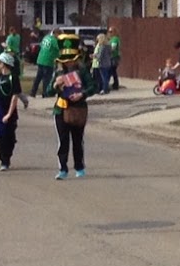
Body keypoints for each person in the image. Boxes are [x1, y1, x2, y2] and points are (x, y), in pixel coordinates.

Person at [51, 35, 96, 179]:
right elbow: (47, 91)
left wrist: (82, 95)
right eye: (66, 60)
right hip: (61, 109)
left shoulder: (82, 72)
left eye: (71, 60)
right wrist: (55, 85)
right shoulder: (58, 72)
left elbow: (93, 86)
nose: (68, 63)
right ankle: (62, 169)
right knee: (63, 141)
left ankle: (79, 167)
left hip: (78, 109)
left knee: (77, 140)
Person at [0, 50, 21, 171]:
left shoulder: (13, 77)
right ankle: (3, 160)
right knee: (0, 137)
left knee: (9, 136)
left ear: (3, 63)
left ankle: (7, 158)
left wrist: (9, 114)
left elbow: (15, 96)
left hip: (9, 111)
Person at [32, 28, 59, 98]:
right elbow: (58, 49)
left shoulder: (46, 37)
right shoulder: (54, 40)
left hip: (40, 59)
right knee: (47, 78)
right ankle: (45, 93)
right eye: (59, 35)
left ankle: (33, 92)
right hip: (48, 61)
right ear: (56, 34)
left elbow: (41, 46)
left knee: (38, 77)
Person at [107, 25, 122, 91]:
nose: (110, 33)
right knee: (113, 71)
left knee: (112, 70)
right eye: (109, 31)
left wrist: (107, 51)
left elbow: (113, 48)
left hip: (114, 57)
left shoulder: (115, 39)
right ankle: (115, 84)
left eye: (111, 31)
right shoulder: (111, 39)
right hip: (112, 57)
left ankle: (115, 84)